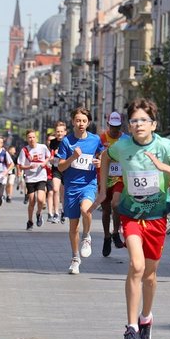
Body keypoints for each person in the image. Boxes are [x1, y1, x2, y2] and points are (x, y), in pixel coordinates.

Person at [95, 98, 170, 339]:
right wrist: (102, 191)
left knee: (150, 275)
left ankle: (146, 317)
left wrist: (164, 167)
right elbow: (105, 158)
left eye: (144, 120)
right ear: (129, 125)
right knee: (136, 265)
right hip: (130, 215)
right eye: (134, 120)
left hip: (156, 217)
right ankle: (130, 327)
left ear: (154, 124)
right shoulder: (123, 145)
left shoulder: (165, 146)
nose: (139, 124)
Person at [56, 107, 105, 274]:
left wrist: (99, 162)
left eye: (84, 121)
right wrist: (73, 157)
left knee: (87, 210)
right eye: (78, 120)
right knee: (73, 226)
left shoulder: (95, 139)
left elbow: (102, 156)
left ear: (88, 122)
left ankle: (87, 237)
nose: (81, 123)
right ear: (72, 122)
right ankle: (75, 258)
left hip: (88, 185)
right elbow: (61, 167)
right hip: (71, 187)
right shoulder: (67, 142)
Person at [98, 111, 129, 256]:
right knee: (106, 210)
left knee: (116, 204)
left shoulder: (126, 139)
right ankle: (106, 237)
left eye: (117, 126)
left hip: (120, 178)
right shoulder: (101, 138)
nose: (115, 129)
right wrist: (97, 160)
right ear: (108, 124)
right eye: (112, 126)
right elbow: (95, 155)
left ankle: (116, 232)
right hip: (104, 177)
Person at [17, 130, 50, 230]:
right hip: (30, 178)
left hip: (41, 177)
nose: (32, 139)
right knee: (32, 201)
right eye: (29, 137)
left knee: (40, 199)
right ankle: (30, 221)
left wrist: (45, 162)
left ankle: (39, 214)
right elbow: (20, 165)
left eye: (33, 137)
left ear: (36, 138)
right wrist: (28, 167)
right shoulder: (24, 150)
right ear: (27, 139)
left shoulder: (42, 147)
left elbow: (48, 156)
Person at [47, 121, 68, 222]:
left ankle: (63, 211)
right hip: (56, 168)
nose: (59, 133)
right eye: (57, 131)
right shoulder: (53, 142)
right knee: (55, 189)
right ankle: (56, 213)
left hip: (66, 169)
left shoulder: (68, 142)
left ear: (65, 132)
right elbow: (50, 156)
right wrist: (52, 158)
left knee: (63, 192)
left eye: (61, 131)